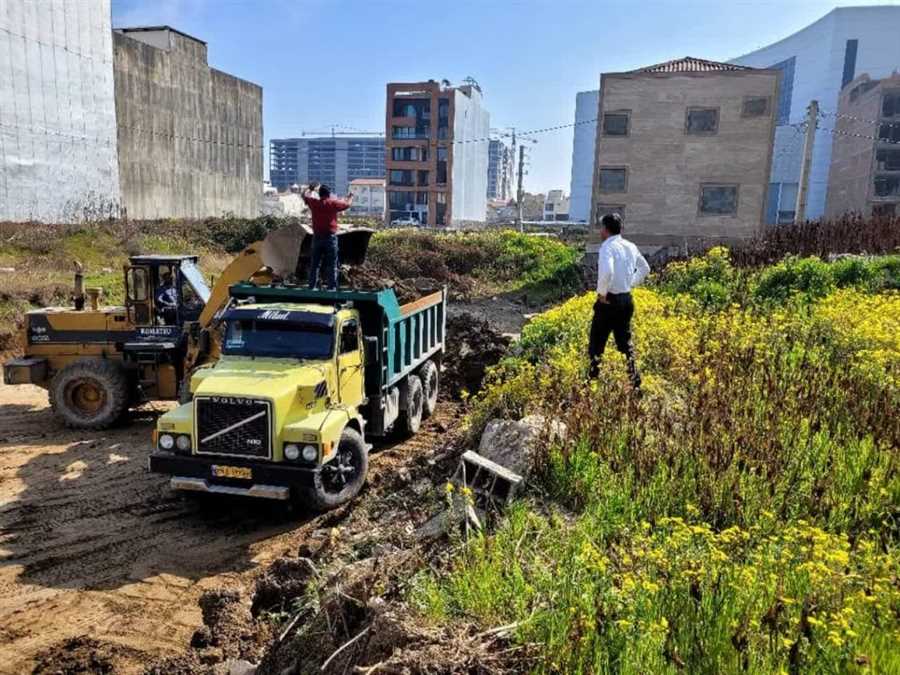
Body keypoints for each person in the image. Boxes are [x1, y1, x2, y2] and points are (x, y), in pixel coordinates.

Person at [588, 213, 650, 388]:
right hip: (626, 300)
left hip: (609, 302)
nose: (601, 231)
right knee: (624, 344)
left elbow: (607, 272)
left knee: (597, 344)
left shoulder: (607, 247)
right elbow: (645, 268)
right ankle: (635, 382)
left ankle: (591, 383)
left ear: (606, 229)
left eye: (601, 228)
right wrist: (629, 283)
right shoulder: (630, 246)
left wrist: (601, 294)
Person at [302, 182, 353, 290]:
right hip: (330, 238)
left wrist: (310, 189)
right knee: (332, 265)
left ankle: (312, 287)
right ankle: (331, 288)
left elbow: (304, 196)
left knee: (315, 264)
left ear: (319, 194)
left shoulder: (314, 203)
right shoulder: (333, 203)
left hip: (317, 238)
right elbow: (347, 204)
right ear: (329, 194)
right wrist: (350, 197)